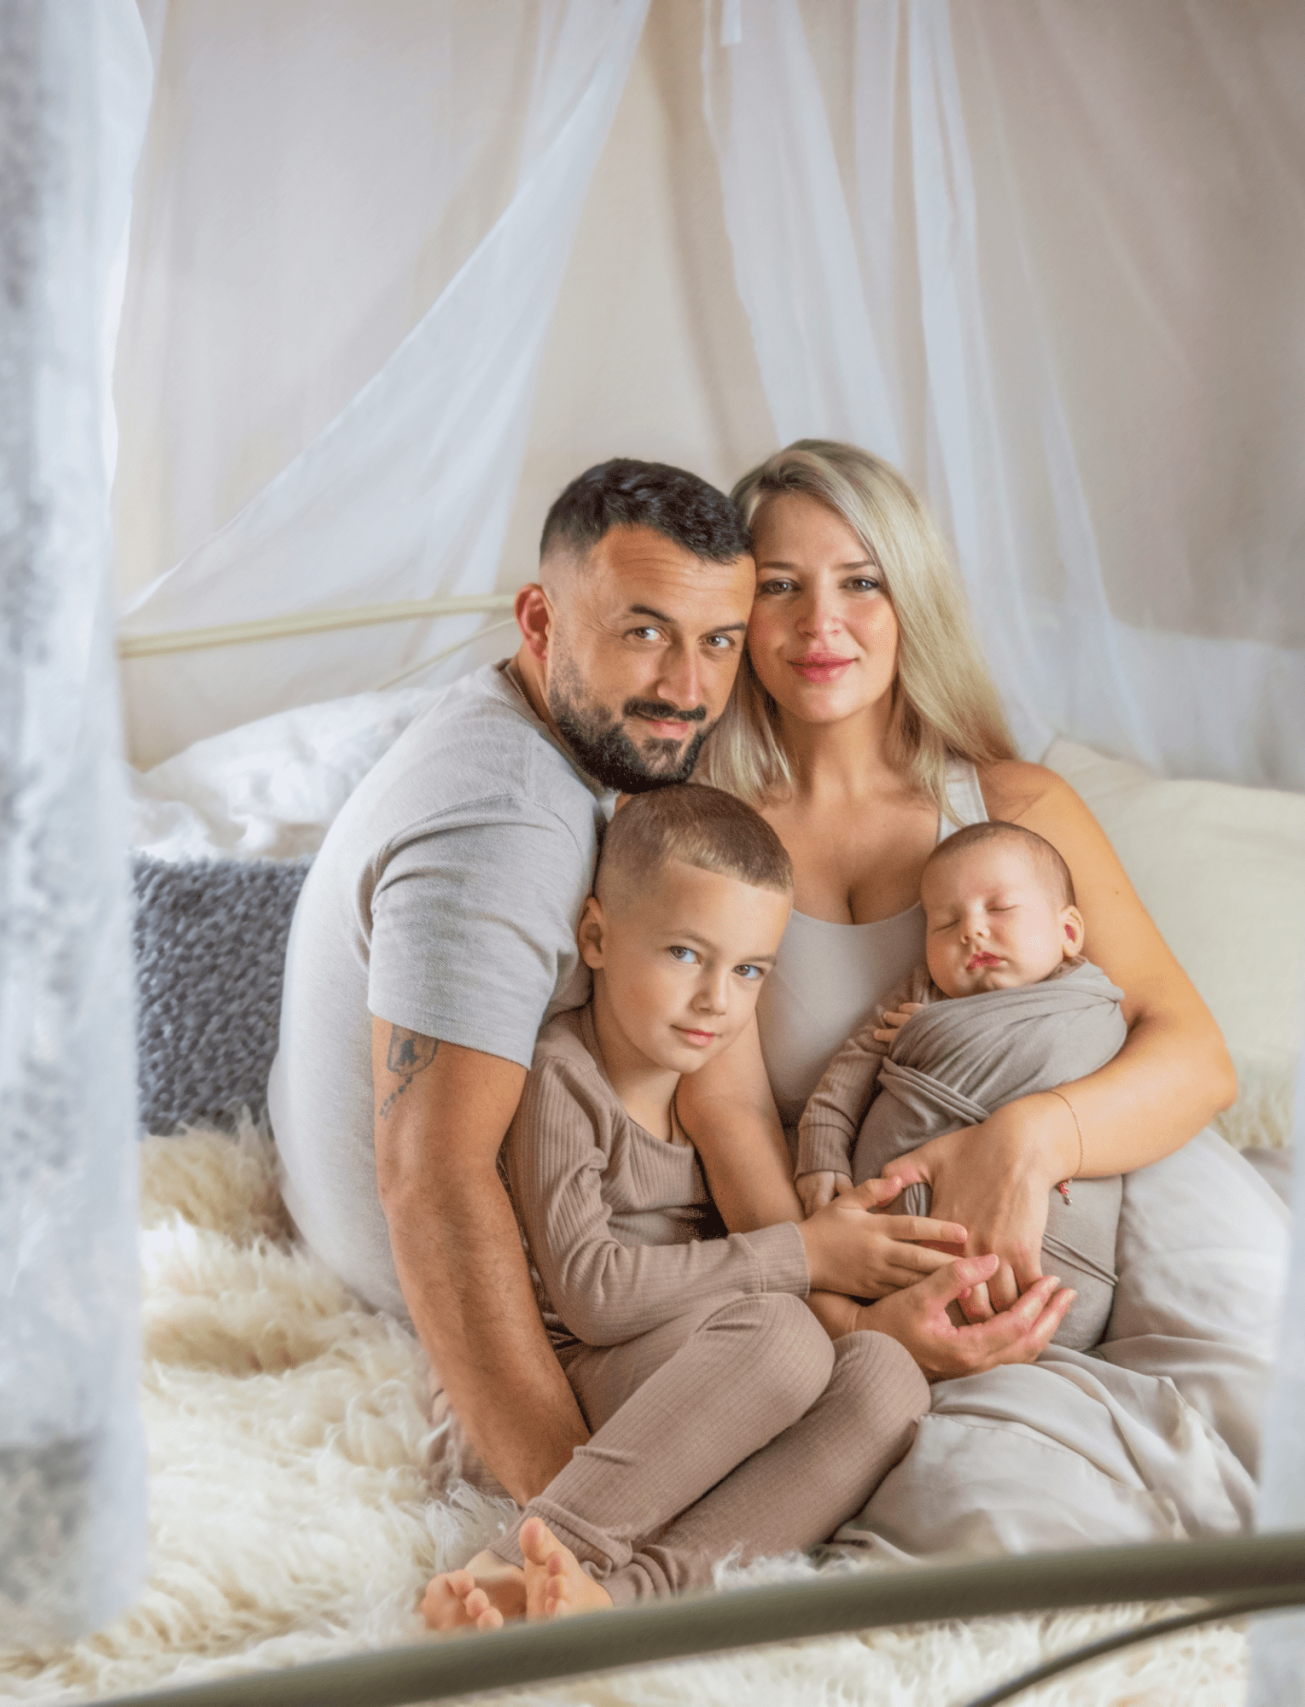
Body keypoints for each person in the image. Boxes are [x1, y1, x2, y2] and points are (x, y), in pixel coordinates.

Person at [266, 457, 1063, 1511]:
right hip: (465, 1289)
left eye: (717, 641)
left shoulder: (570, 756)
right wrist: (563, 1522)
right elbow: (432, 1182)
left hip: (577, 1238)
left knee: (867, 1379)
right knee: (798, 1362)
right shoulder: (504, 828)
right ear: (539, 623)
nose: (687, 690)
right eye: (643, 632)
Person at [686, 439, 1238, 1351]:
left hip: (1088, 1214)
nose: (820, 623)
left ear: (912, 600)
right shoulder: (704, 839)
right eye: (780, 586)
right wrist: (846, 1317)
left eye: (861, 581)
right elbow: (728, 1113)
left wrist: (1027, 1140)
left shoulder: (1016, 807)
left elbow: (1197, 1057)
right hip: (844, 1260)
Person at [420, 786, 953, 1629]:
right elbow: (593, 1296)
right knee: (782, 1334)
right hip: (589, 1373)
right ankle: (538, 1547)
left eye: (748, 971)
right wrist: (804, 1252)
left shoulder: (708, 1090)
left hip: (700, 1367)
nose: (718, 1000)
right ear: (597, 936)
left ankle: (622, 1602)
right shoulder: (563, 1076)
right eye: (683, 953)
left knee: (886, 1380)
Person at [793, 820, 1128, 1352]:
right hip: (886, 1267)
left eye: (999, 909)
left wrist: (942, 1034)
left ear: (1067, 933)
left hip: (1049, 1267)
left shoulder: (1088, 1004)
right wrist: (821, 1152)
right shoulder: (921, 995)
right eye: (944, 923)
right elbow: (851, 1070)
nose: (970, 931)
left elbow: (1108, 1087)